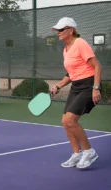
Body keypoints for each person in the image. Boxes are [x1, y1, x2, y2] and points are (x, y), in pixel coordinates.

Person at [51, 17, 102, 169]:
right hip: (76, 86)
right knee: (65, 121)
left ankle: (89, 151)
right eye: (57, 30)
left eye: (61, 30)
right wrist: (58, 86)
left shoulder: (80, 43)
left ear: (70, 30)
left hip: (88, 85)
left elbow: (97, 66)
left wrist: (96, 88)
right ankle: (77, 154)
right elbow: (70, 74)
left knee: (70, 120)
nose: (58, 32)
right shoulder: (66, 49)